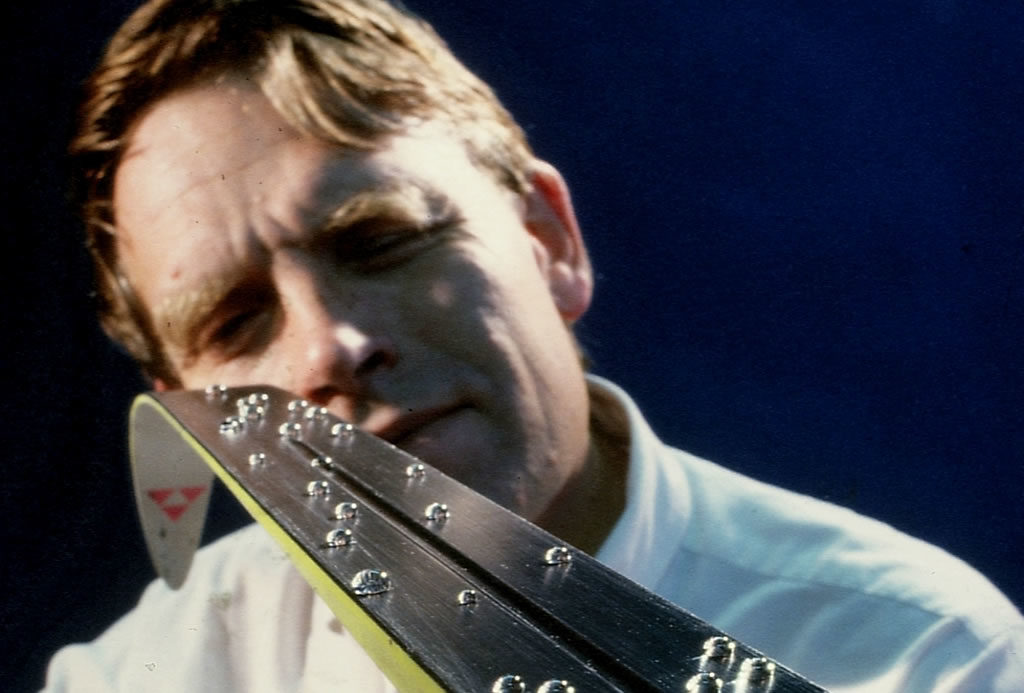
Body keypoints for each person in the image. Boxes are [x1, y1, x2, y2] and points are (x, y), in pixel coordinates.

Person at [45, 0, 1023, 691]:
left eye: (378, 241)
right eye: (234, 321)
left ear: (549, 241)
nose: (331, 346)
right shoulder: (148, 677)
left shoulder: (921, 658)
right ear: (189, 413)